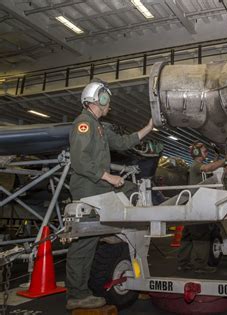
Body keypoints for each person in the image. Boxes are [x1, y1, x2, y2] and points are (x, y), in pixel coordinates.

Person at [66, 80, 154, 310]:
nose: (110, 105)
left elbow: (124, 142)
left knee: (132, 191)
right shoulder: (83, 124)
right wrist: (109, 176)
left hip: (99, 189)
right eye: (107, 99)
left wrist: (148, 127)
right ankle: (77, 294)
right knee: (84, 243)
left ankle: (116, 231)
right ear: (98, 99)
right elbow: (80, 161)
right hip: (89, 189)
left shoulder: (100, 126)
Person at [177, 143, 226, 273]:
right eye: (204, 151)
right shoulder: (196, 166)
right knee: (202, 235)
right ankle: (199, 266)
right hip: (196, 206)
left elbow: (211, 167)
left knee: (187, 236)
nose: (206, 152)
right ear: (197, 153)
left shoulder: (195, 167)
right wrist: (225, 160)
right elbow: (209, 168)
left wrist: (217, 157)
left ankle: (183, 263)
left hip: (190, 205)